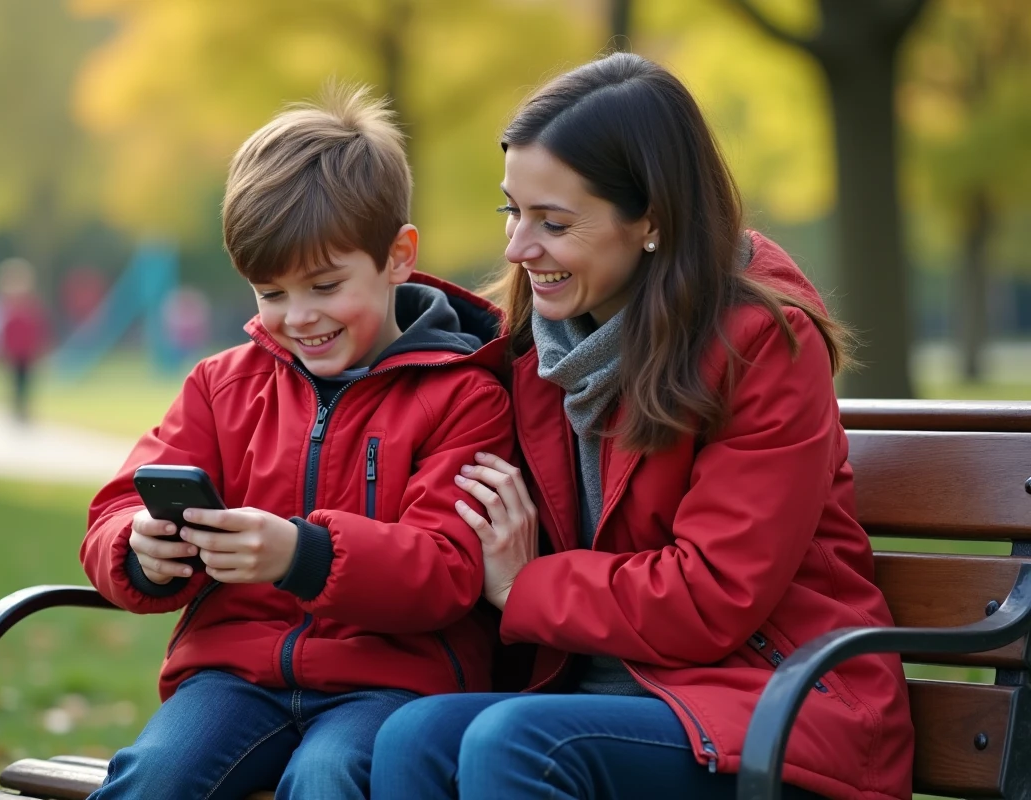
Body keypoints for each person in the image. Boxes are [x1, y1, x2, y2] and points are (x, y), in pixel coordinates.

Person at [371, 52, 915, 800]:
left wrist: (526, 585)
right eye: (513, 211)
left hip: (768, 707)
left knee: (516, 745)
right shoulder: (536, 345)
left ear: (652, 220)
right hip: (604, 702)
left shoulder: (761, 347)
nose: (517, 248)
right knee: (410, 738)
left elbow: (710, 595)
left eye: (553, 222)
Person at [80, 85, 513, 800]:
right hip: (232, 677)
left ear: (398, 257)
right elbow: (118, 507)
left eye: (323, 285)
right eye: (271, 293)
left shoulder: (465, 395)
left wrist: (301, 554)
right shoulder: (222, 385)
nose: (299, 317)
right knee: (151, 776)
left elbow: (447, 571)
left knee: (329, 778)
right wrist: (139, 546)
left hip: (391, 685)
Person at [0, 257, 50, 422]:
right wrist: (1, 353)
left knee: (27, 383)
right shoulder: (7, 309)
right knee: (15, 384)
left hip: (27, 354)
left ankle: (24, 410)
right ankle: (16, 410)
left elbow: (39, 330)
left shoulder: (31, 307)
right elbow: (3, 335)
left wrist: (41, 350)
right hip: (14, 355)